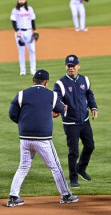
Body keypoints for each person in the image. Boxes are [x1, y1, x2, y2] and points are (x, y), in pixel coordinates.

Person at [8, 70, 78, 207]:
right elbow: (59, 109)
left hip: (25, 138)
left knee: (23, 166)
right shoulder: (51, 94)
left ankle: (13, 197)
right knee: (55, 166)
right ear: (46, 82)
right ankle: (66, 195)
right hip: (42, 139)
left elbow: (12, 114)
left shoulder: (21, 94)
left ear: (33, 80)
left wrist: (25, 123)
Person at [53, 54, 98, 188]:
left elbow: (89, 94)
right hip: (70, 122)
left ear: (78, 66)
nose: (71, 68)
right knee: (74, 151)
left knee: (90, 145)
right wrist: (58, 108)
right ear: (66, 67)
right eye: (69, 66)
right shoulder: (60, 83)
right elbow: (56, 99)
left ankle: (81, 168)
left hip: (84, 120)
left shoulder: (85, 80)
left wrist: (93, 107)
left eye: (73, 66)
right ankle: (73, 178)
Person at [10, 0, 37, 75]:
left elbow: (32, 21)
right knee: (21, 51)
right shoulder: (15, 10)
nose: (21, 1)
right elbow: (13, 21)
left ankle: (33, 69)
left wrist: (34, 31)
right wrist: (17, 31)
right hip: (20, 32)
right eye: (20, 0)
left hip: (29, 32)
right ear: (18, 1)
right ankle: (23, 70)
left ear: (25, 0)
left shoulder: (30, 9)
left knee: (32, 50)